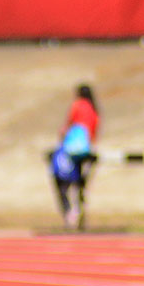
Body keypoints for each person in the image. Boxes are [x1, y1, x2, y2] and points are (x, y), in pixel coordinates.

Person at [51, 83, 99, 229]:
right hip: (86, 151)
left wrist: (62, 136)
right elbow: (94, 131)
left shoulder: (77, 105)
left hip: (71, 150)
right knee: (80, 184)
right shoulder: (94, 110)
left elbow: (68, 125)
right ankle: (79, 211)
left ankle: (69, 212)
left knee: (61, 181)